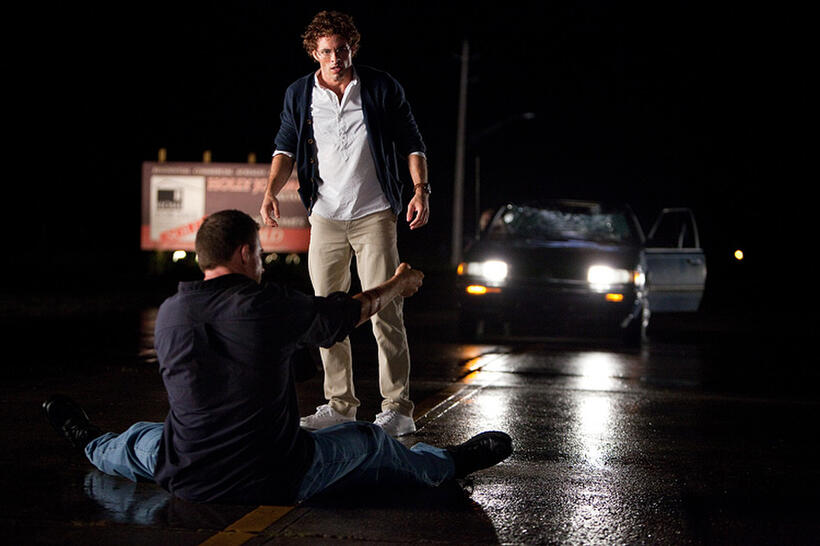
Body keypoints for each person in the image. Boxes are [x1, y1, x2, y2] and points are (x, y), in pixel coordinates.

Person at [43, 210, 511, 505]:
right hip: (274, 478)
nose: (263, 264)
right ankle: (447, 464)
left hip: (187, 475)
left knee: (138, 439)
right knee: (367, 441)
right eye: (262, 255)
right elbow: (342, 315)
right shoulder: (265, 305)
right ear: (246, 253)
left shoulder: (170, 314)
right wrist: (397, 286)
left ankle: (87, 440)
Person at [260, 10, 430, 437]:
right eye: (326, 52)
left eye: (342, 50)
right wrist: (270, 191)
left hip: (374, 213)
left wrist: (420, 189)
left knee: (385, 311)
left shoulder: (380, 86)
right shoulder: (300, 94)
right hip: (326, 216)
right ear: (314, 53)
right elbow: (285, 148)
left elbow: (412, 141)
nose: (335, 58)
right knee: (325, 313)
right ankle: (340, 404)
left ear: (352, 47)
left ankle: (398, 407)